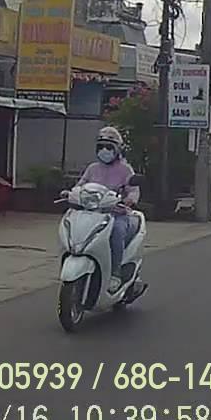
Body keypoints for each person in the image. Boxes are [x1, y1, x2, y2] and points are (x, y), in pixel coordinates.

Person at [75, 126, 139, 294]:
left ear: (117, 150)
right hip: (92, 213)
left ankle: (115, 274)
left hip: (117, 214)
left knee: (117, 232)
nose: (104, 151)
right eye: (101, 147)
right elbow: (80, 186)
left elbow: (133, 190)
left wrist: (128, 200)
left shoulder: (125, 170)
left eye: (109, 147)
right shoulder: (92, 168)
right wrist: (71, 193)